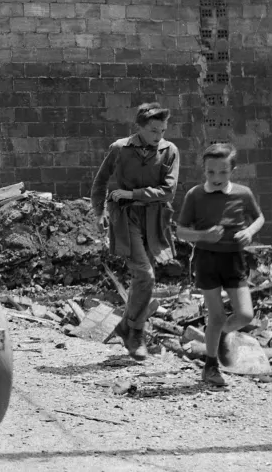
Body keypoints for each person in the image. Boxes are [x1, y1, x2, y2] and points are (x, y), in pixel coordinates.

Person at [90, 102, 180, 361]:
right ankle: (136, 333)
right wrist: (99, 212)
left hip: (155, 221)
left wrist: (133, 193)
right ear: (139, 127)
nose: (159, 136)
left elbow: (169, 191)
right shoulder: (119, 149)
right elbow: (100, 182)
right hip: (124, 218)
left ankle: (125, 326)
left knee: (142, 280)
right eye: (153, 130)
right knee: (146, 275)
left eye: (162, 130)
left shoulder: (170, 151)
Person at [176, 143, 264, 387]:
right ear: (203, 170)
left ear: (232, 170)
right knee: (215, 316)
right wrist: (204, 235)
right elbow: (181, 231)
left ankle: (225, 333)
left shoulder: (243, 193)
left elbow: (259, 218)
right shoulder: (195, 195)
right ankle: (211, 366)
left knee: (245, 314)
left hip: (234, 259)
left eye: (223, 172)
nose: (216, 178)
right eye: (210, 172)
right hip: (206, 259)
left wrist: (249, 232)